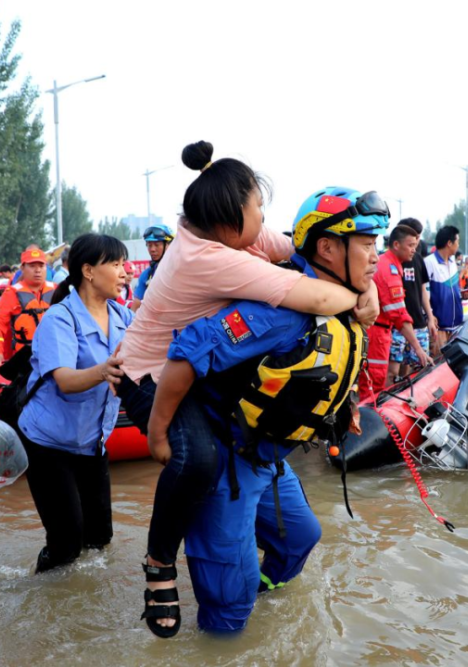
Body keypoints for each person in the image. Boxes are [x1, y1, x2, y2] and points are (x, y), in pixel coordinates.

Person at [117, 141, 379, 637]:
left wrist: (342, 408)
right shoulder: (251, 292)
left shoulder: (253, 240)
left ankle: (251, 599)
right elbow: (187, 354)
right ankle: (171, 572)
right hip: (166, 393)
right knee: (226, 590)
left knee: (300, 538)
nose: (376, 256)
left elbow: (298, 252)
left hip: (266, 455)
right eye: (368, 244)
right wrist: (156, 432)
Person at [16, 234, 133, 573]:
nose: (124, 272)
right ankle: (42, 591)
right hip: (48, 443)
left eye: (124, 264)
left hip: (92, 442)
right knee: (66, 544)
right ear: (88, 271)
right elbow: (65, 380)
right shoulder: (60, 318)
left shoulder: (123, 316)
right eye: (115, 264)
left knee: (99, 539)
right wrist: (104, 370)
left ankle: (86, 597)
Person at [361, 223, 432, 400]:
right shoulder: (389, 271)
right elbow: (399, 315)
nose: (414, 249)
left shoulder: (389, 264)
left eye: (415, 245)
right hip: (377, 333)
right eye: (410, 245)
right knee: (373, 386)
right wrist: (418, 349)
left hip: (380, 331)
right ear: (396, 245)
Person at [0, 247, 56, 366]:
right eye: (32, 266)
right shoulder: (11, 293)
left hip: (54, 354)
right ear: (23, 268)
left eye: (41, 266)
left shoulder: (56, 289)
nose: (38, 270)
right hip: (25, 358)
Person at [393, 218, 438, 378]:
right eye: (413, 239)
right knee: (393, 371)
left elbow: (422, 290)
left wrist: (430, 318)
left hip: (418, 323)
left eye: (418, 238)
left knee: (417, 369)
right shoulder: (390, 262)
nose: (416, 242)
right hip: (396, 325)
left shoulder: (418, 259)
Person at [425, 225, 464, 354]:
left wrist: (463, 294)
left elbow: (453, 289)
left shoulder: (453, 262)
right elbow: (423, 293)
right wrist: (429, 315)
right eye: (457, 241)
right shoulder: (429, 262)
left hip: (456, 327)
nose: (458, 245)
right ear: (449, 243)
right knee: (438, 363)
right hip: (439, 328)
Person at [131, 224, 175, 312]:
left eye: (156, 245)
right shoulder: (147, 275)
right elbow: (136, 306)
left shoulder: (182, 270)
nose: (152, 249)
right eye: (149, 245)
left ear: (169, 245)